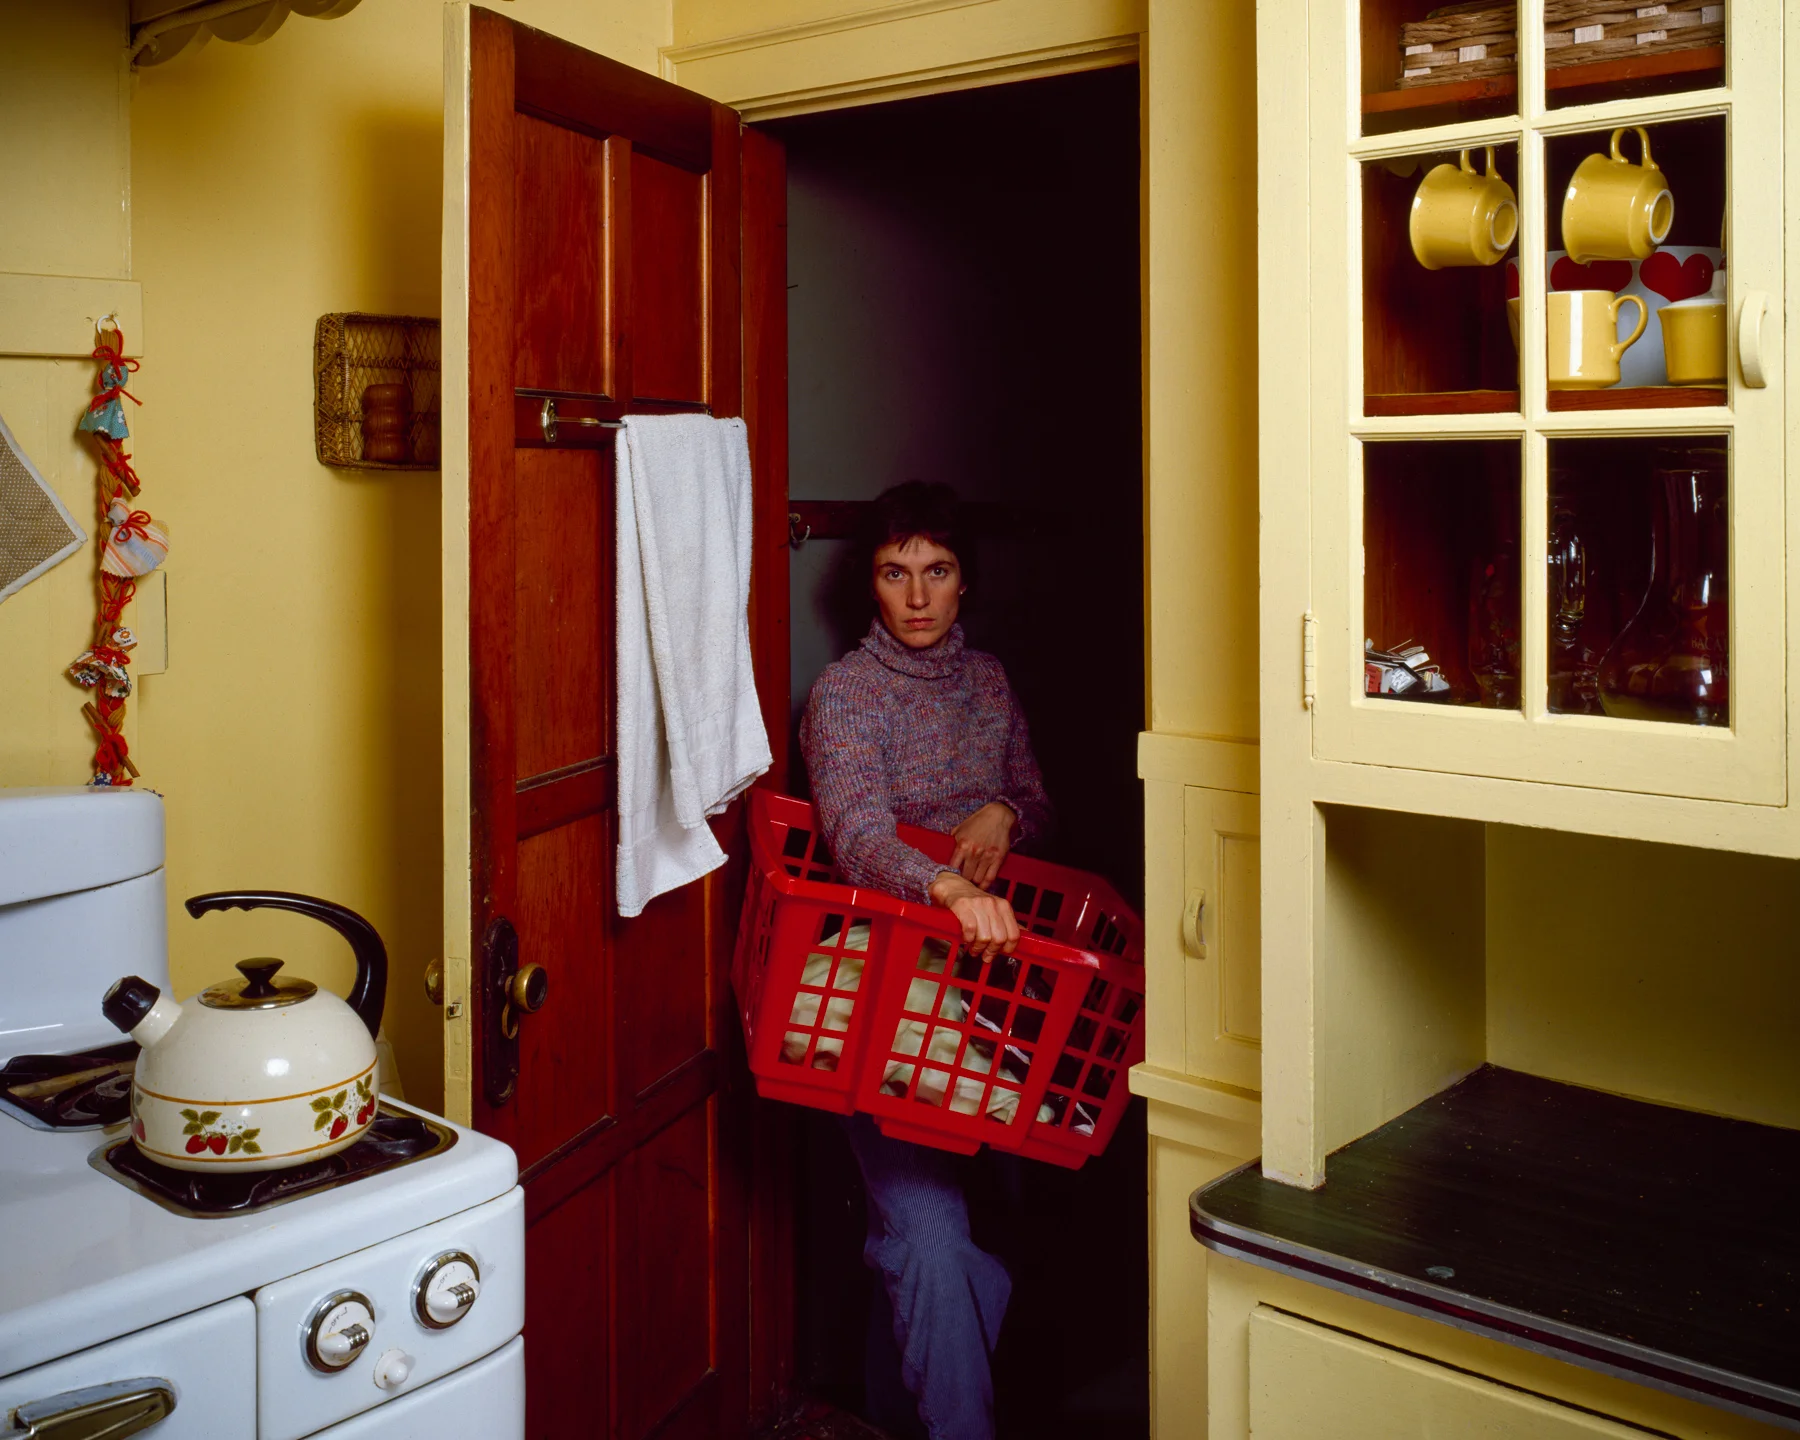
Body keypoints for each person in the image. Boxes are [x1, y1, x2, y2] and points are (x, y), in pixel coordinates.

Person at [799, 481, 1052, 1440]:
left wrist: (1007, 814)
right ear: (869, 584)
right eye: (894, 572)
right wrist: (949, 885)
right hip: (880, 985)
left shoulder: (987, 681)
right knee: (937, 1245)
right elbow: (855, 833)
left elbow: (1037, 799)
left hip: (991, 989)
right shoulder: (847, 693)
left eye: (936, 573)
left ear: (963, 584)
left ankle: (892, 1414)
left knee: (927, 1248)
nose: (916, 596)